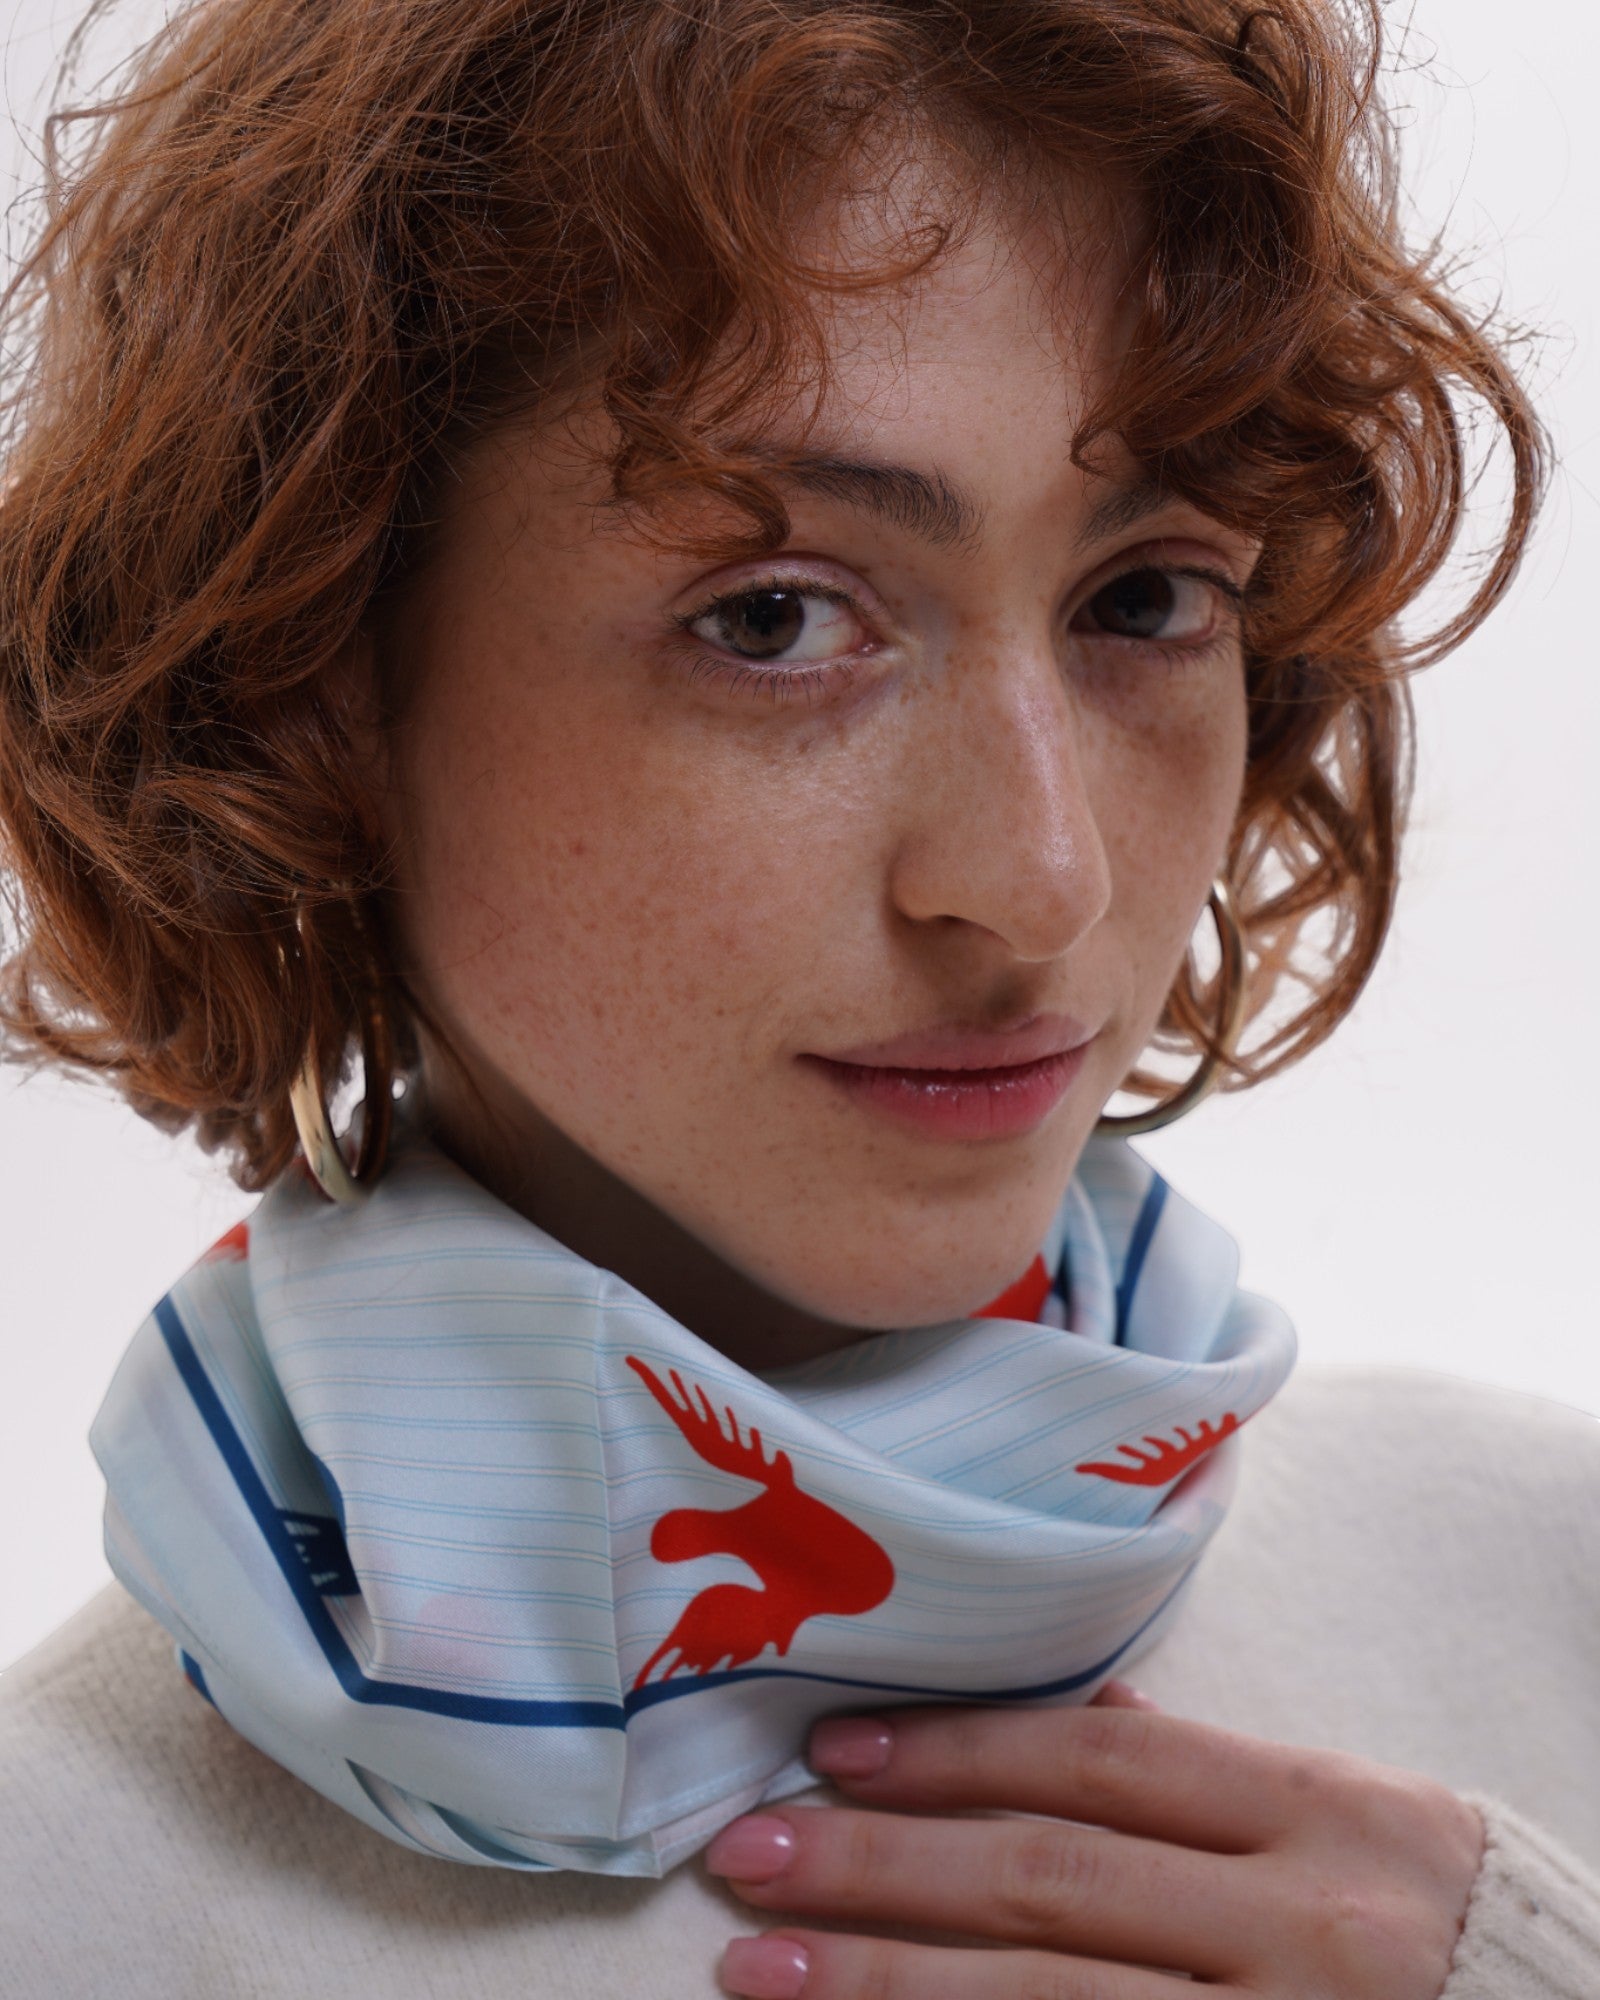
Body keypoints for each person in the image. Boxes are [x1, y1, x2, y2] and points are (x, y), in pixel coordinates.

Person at [1, 0, 1597, 1995]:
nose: (1041, 876)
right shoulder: (57, 1904)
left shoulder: (1547, 1582)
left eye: (1143, 599)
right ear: (309, 685)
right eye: (773, 619)